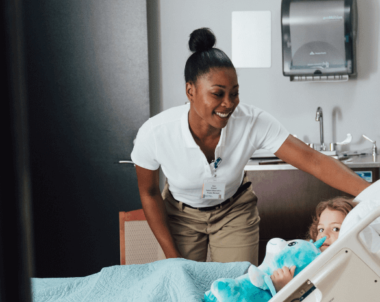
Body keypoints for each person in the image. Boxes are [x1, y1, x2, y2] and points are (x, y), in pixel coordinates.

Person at [131, 27, 369, 265]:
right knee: (185, 286)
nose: (228, 104)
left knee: (239, 290)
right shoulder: (155, 133)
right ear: (190, 91)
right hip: (180, 215)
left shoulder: (252, 121)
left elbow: (313, 160)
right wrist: (172, 257)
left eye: (234, 93)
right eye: (217, 94)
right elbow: (149, 193)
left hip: (233, 211)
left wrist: (373, 194)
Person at [271, 196, 357, 291]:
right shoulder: (307, 260)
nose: (324, 234)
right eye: (321, 229)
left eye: (335, 229)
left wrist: (285, 287)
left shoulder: (342, 269)